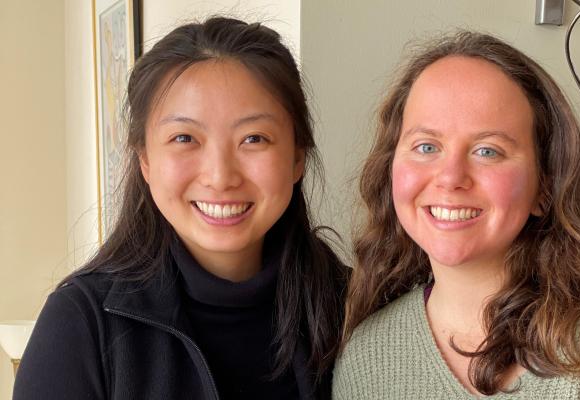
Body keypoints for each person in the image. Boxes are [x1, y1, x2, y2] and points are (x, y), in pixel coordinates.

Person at [15, 16, 348, 400]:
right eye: (184, 137)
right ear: (145, 161)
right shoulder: (81, 323)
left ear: (296, 158)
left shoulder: (353, 310)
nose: (220, 177)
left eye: (254, 138)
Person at [333, 31, 580, 399]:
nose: (450, 178)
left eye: (487, 151)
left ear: (545, 187)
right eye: (426, 146)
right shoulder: (368, 360)